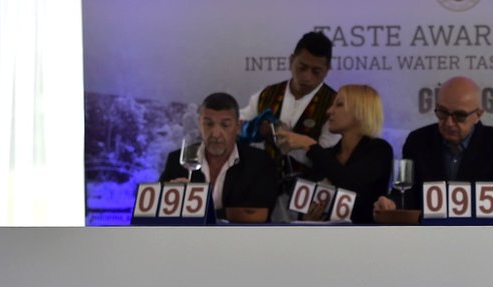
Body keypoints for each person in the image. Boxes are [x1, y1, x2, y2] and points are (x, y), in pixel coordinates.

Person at [374, 76, 493, 216]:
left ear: (478, 115)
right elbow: (404, 193)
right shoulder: (418, 141)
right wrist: (391, 204)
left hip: (481, 234)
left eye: (459, 115)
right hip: (427, 234)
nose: (449, 122)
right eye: (442, 112)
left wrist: (457, 202)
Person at [276, 85, 393, 224]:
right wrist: (308, 219)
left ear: (360, 111)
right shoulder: (326, 155)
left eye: (339, 105)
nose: (329, 111)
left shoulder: (378, 150)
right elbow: (305, 204)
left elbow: (350, 184)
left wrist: (309, 144)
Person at [160, 92, 278, 220]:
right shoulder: (178, 160)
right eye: (209, 124)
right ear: (200, 124)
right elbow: (158, 212)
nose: (216, 134)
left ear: (238, 127)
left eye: (225, 125)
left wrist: (201, 212)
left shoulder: (259, 162)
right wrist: (170, 197)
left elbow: (256, 214)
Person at [239, 31, 340, 178]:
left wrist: (290, 140)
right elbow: (237, 126)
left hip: (309, 190)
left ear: (327, 70)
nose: (307, 77)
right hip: (264, 187)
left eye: (316, 71)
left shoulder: (335, 105)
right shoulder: (266, 95)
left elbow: (327, 159)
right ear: (291, 60)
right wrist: (255, 130)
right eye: (302, 67)